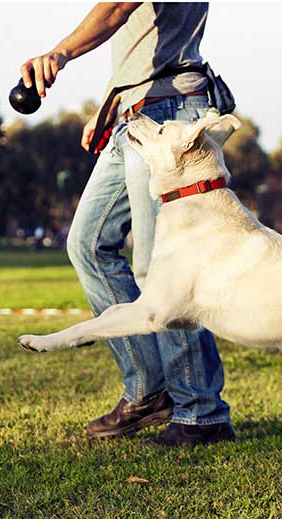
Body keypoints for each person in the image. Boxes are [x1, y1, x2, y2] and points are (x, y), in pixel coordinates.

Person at [20, 2, 234, 446]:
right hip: (135, 114)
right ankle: (149, 390)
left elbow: (117, 7)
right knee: (87, 244)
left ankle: (201, 411)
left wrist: (60, 53)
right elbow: (143, 42)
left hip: (169, 115)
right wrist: (112, 105)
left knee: (163, 271)